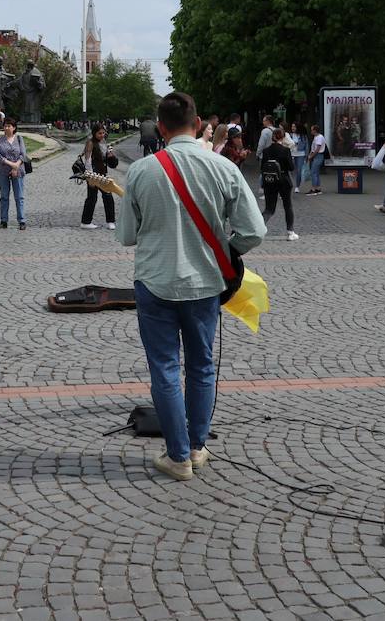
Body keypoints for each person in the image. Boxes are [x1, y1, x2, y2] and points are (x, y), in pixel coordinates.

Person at [117, 91, 266, 481]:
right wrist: (223, 250)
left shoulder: (142, 171)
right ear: (198, 124)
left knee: (164, 368)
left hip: (155, 281)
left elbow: (126, 236)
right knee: (201, 367)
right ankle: (198, 447)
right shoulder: (222, 167)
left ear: (160, 128)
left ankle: (177, 456)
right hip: (205, 284)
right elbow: (255, 230)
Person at [0, 118, 29, 229]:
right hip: (3, 171)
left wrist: (16, 165)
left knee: (19, 196)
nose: (6, 128)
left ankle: (22, 221)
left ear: (14, 128)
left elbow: (23, 154)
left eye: (9, 126)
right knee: (4, 196)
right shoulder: (0, 140)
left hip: (18, 170)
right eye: (5, 126)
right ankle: (3, 220)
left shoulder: (19, 139)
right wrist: (11, 164)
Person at [259, 127, 298, 241]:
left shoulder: (266, 150)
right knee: (288, 206)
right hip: (283, 180)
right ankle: (290, 232)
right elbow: (291, 167)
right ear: (283, 137)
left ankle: (258, 229)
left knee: (269, 209)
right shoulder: (285, 150)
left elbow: (262, 167)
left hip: (269, 181)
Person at [80, 123, 118, 230]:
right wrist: (90, 176)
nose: (102, 135)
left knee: (107, 197)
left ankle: (110, 221)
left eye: (103, 133)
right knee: (92, 198)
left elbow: (106, 159)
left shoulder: (104, 142)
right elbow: (87, 160)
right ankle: (86, 222)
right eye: (99, 133)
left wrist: (110, 155)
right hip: (93, 174)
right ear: (94, 133)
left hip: (102, 173)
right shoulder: (90, 143)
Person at [305, 124, 327, 195]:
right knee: (316, 173)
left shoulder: (319, 137)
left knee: (313, 172)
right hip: (317, 156)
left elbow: (317, 149)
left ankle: (314, 189)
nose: (311, 131)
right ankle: (318, 188)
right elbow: (314, 148)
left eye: (311, 130)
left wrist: (311, 156)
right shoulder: (316, 137)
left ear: (315, 130)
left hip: (318, 155)